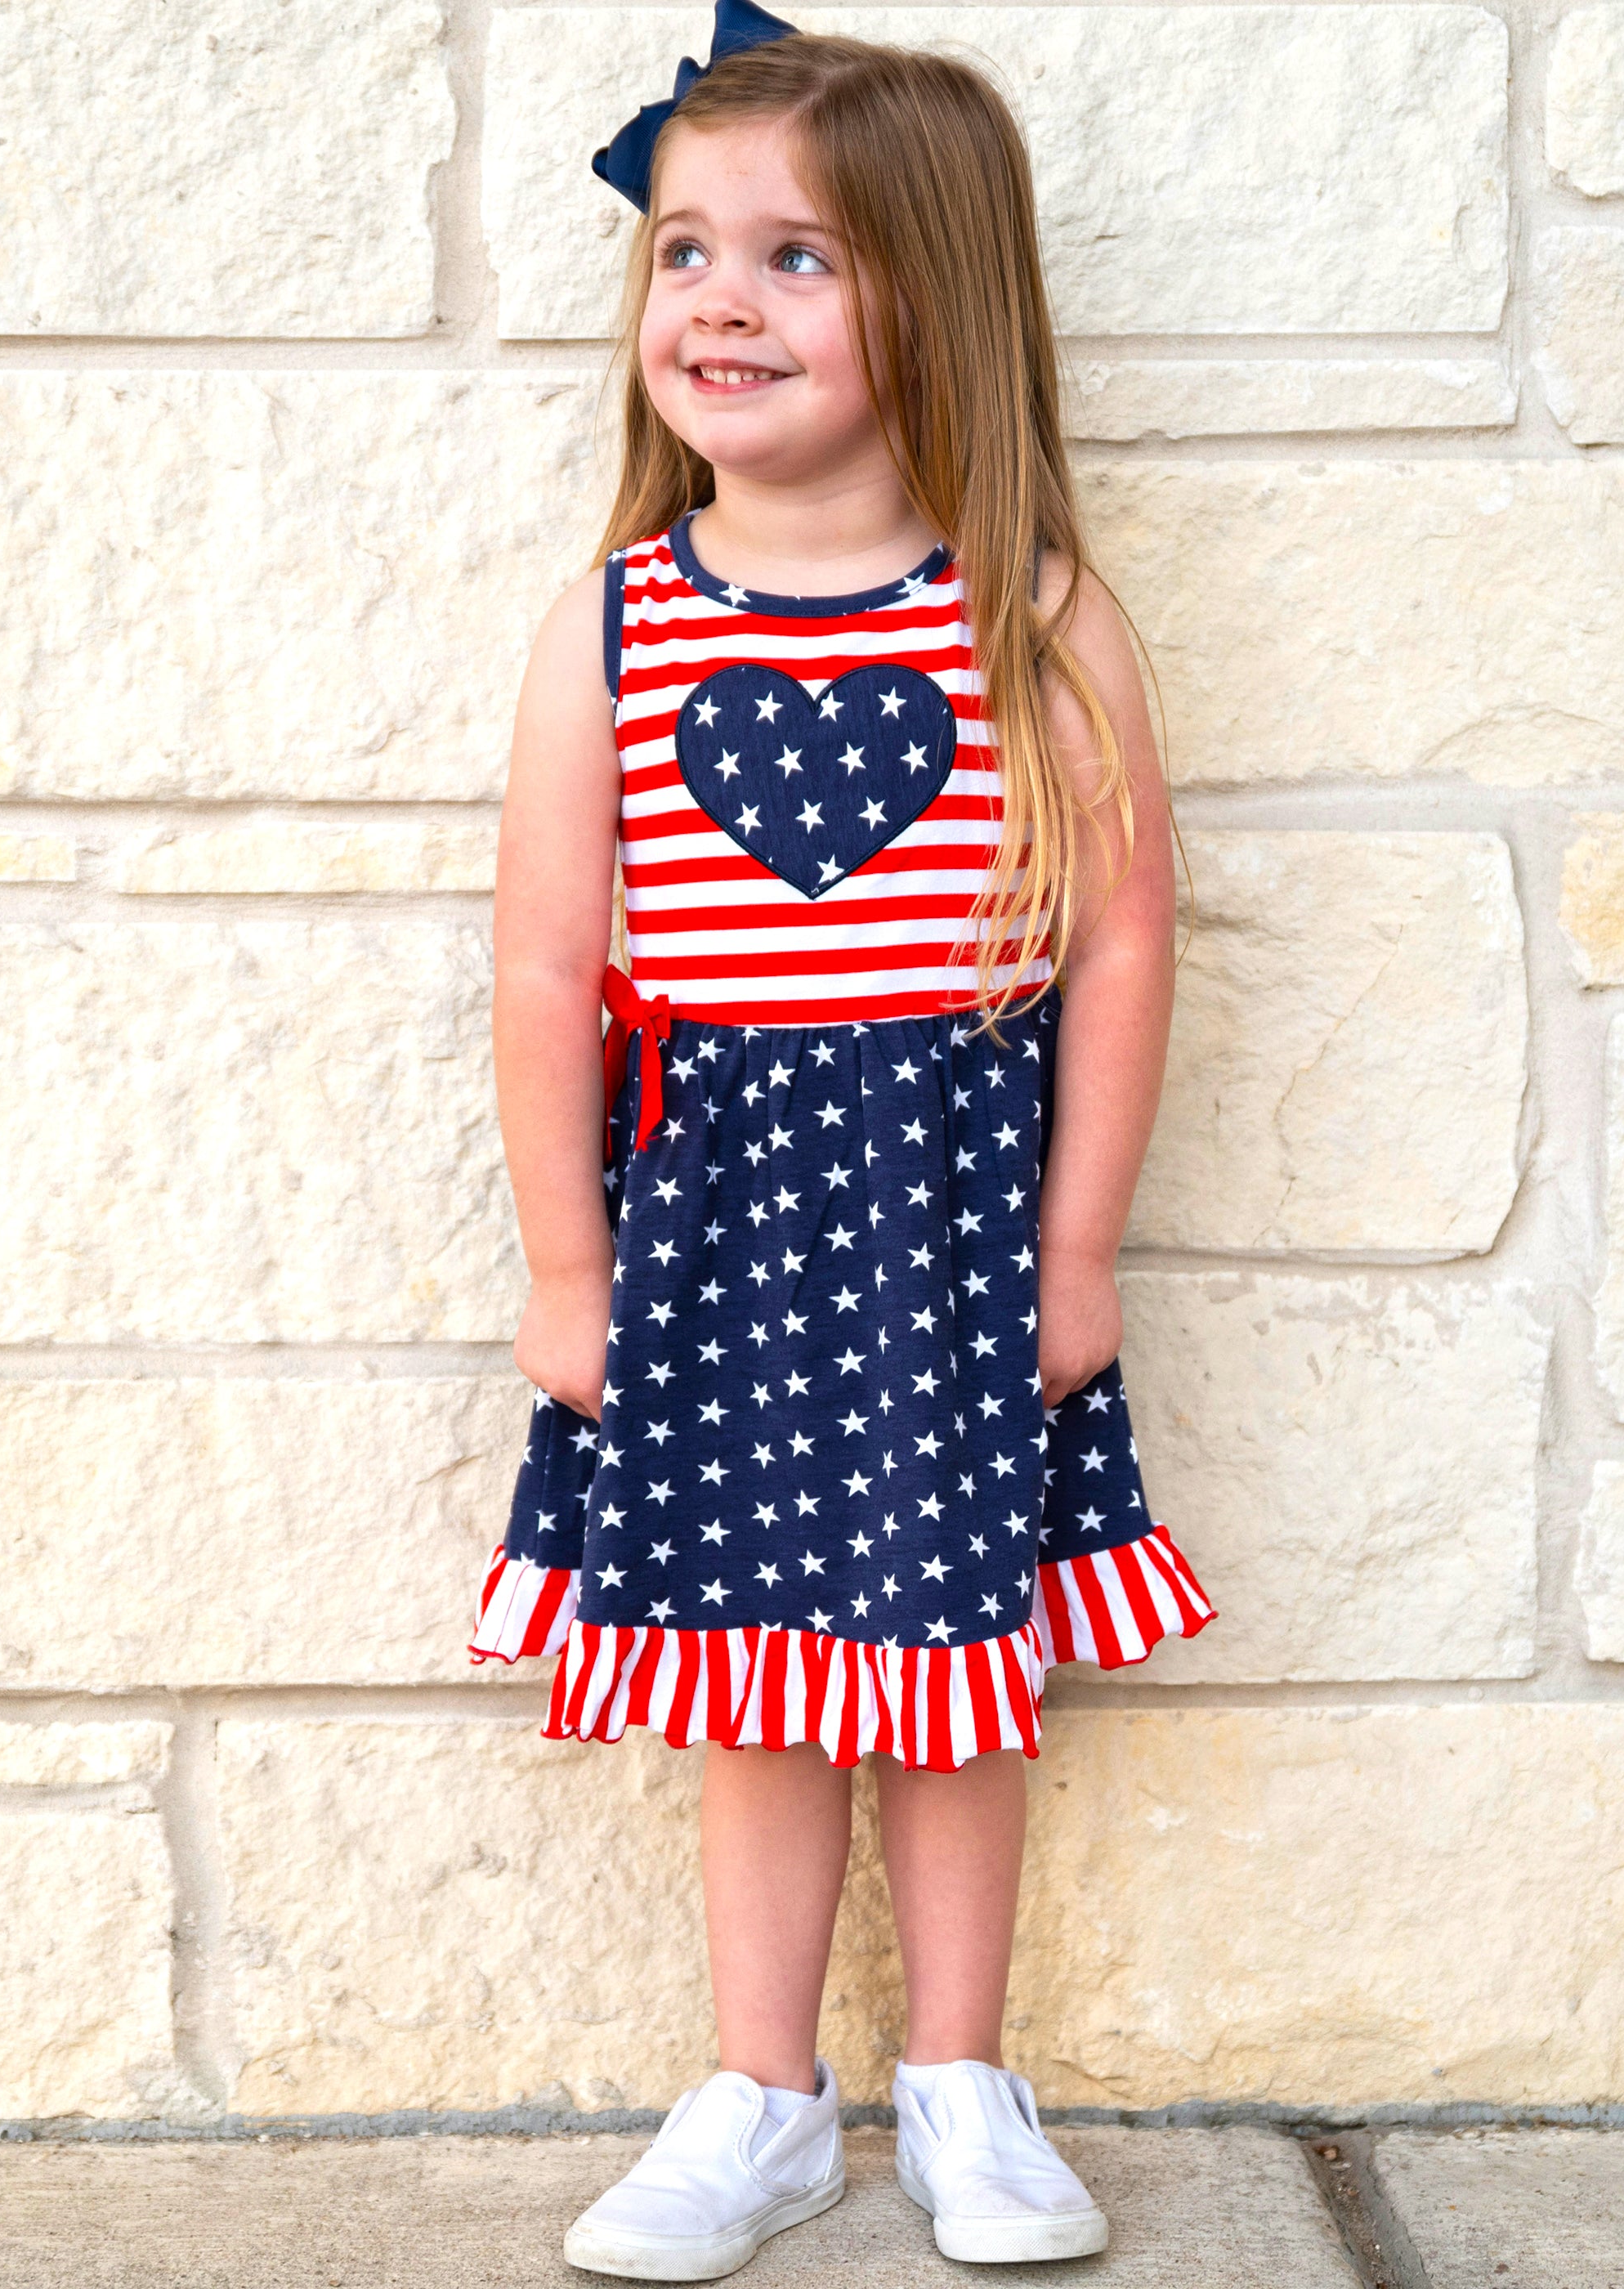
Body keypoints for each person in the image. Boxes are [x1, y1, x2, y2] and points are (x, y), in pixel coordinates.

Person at [473, 5, 1214, 2273]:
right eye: (687, 248)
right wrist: (571, 1270)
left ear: (938, 299)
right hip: (711, 1233)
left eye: (798, 256)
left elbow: (1119, 945)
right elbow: (537, 972)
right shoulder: (617, 625)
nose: (717, 296)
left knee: (952, 1676)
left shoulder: (1037, 621)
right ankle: (759, 2094)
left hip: (945, 1229)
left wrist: (1076, 1253)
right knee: (759, 1680)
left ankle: (964, 2087)